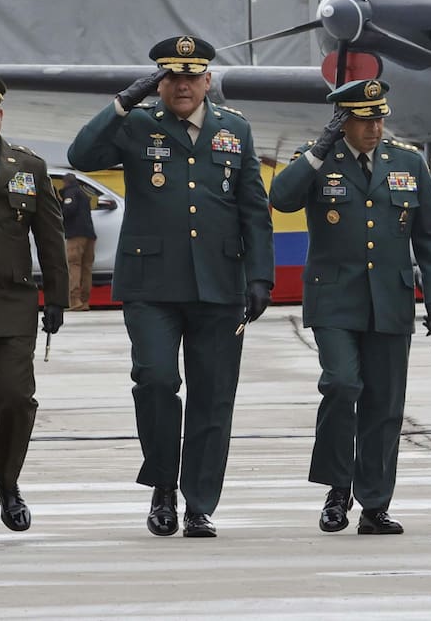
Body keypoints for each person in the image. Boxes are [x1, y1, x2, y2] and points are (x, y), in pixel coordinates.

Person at [67, 36, 274, 539]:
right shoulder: (137, 125)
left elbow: (254, 211)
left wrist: (260, 276)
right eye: (171, 77)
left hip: (220, 286)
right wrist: (122, 102)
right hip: (151, 285)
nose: (182, 86)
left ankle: (199, 503)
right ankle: (163, 484)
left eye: (191, 77)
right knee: (156, 381)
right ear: (159, 82)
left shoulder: (235, 130)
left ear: (207, 81)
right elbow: (80, 154)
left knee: (213, 396)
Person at [270, 78, 431, 535]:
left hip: (389, 299)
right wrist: (318, 150)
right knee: (341, 384)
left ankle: (374, 504)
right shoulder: (318, 159)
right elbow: (282, 199)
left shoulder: (406, 161)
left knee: (385, 404)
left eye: (379, 118)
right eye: (364, 120)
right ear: (343, 121)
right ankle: (336, 488)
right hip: (334, 298)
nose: (375, 128)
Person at [0, 69, 67, 542]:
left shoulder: (27, 167)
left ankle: (7, 483)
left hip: (14, 304)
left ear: (1, 114)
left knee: (15, 399)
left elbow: (50, 237)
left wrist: (56, 297)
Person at [59, 172, 97, 311]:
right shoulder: (83, 194)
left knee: (74, 265)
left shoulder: (70, 193)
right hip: (89, 234)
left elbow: (69, 209)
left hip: (75, 235)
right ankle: (85, 301)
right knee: (87, 267)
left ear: (65, 182)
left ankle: (74, 300)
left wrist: (60, 214)